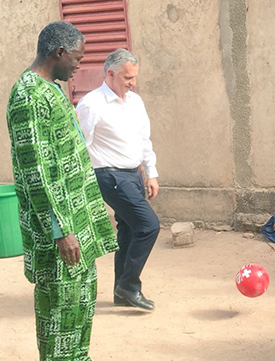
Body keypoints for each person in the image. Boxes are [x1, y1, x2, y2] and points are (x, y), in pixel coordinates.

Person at [6, 21, 118, 360]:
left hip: (76, 224)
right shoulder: (28, 96)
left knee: (80, 312)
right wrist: (61, 231)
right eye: (78, 59)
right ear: (59, 53)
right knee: (60, 320)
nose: (79, 66)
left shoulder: (51, 88)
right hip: (59, 235)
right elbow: (36, 171)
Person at [76, 49, 160, 311]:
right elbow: (80, 146)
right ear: (110, 74)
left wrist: (151, 172)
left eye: (134, 77)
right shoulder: (91, 104)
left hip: (133, 174)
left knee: (129, 230)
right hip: (109, 176)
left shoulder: (135, 101)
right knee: (149, 226)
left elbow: (143, 139)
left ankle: (120, 292)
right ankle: (130, 285)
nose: (132, 83)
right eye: (127, 78)